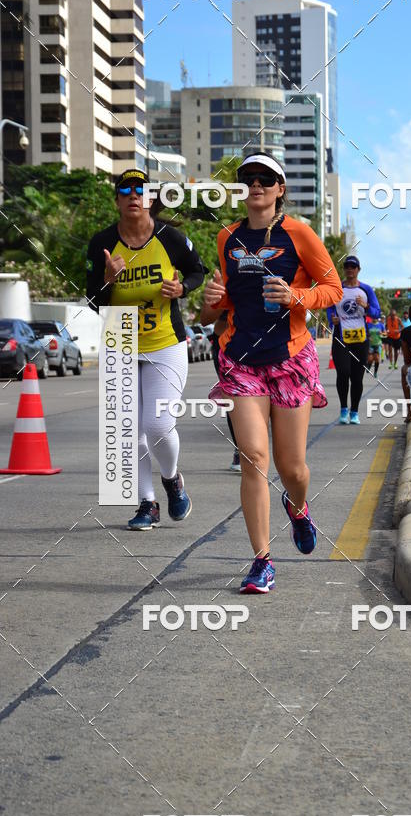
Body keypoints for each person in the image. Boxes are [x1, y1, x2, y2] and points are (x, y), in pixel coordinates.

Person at [203, 152, 342, 594]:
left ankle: (298, 509)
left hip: (290, 358)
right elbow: (221, 307)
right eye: (248, 178)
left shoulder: (299, 233)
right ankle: (262, 561)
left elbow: (333, 289)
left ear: (280, 188)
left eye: (266, 178)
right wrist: (211, 299)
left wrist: (296, 296)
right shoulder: (227, 237)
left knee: (292, 467)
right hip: (241, 358)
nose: (256, 184)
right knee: (253, 458)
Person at [86, 168, 205, 530]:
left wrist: (182, 288)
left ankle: (172, 479)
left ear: (151, 199)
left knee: (158, 424)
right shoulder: (102, 243)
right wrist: (107, 281)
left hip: (165, 342)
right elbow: (93, 300)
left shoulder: (171, 238)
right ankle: (147, 503)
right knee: (128, 431)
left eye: (141, 190)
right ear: (117, 201)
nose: (133, 196)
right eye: (126, 190)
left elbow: (197, 272)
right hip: (119, 338)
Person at [326, 256, 380, 424]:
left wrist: (365, 306)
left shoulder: (366, 289)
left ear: (358, 270)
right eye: (347, 266)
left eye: (353, 266)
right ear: (344, 269)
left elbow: (376, 313)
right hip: (341, 338)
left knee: (357, 377)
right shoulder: (337, 289)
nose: (350, 269)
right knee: (343, 372)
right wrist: (332, 319)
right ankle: (344, 409)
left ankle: (354, 412)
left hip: (361, 339)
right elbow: (329, 308)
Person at [200, 305, 241, 471]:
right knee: (234, 398)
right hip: (226, 340)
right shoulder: (223, 286)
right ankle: (241, 450)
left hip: (265, 341)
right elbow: (205, 318)